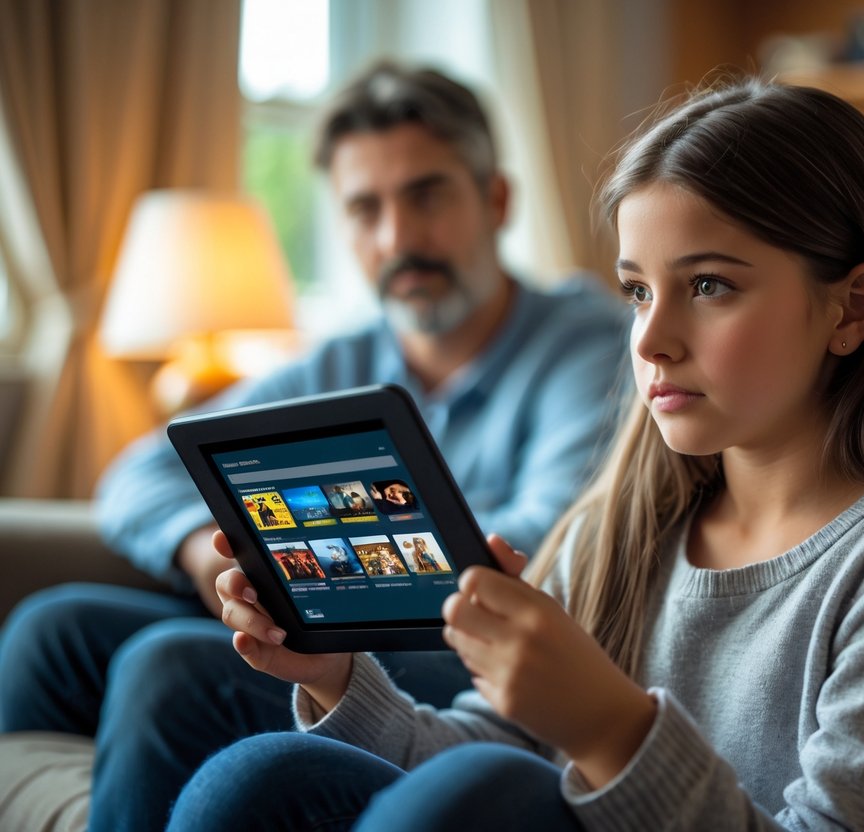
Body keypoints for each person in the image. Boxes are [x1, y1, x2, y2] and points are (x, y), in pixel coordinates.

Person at [166, 77, 864, 831]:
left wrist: (612, 730)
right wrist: (335, 679)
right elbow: (480, 746)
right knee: (259, 773)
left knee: (486, 792)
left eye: (709, 286)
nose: (653, 339)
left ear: (852, 310)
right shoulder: (621, 529)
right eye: (638, 290)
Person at [0, 63, 626, 832]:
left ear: (495, 200)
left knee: (168, 664)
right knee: (51, 627)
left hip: (466, 644)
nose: (398, 237)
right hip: (326, 608)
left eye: (426, 195)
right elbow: (138, 473)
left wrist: (307, 553)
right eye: (366, 209)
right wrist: (207, 552)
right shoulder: (341, 358)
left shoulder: (587, 341)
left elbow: (551, 538)